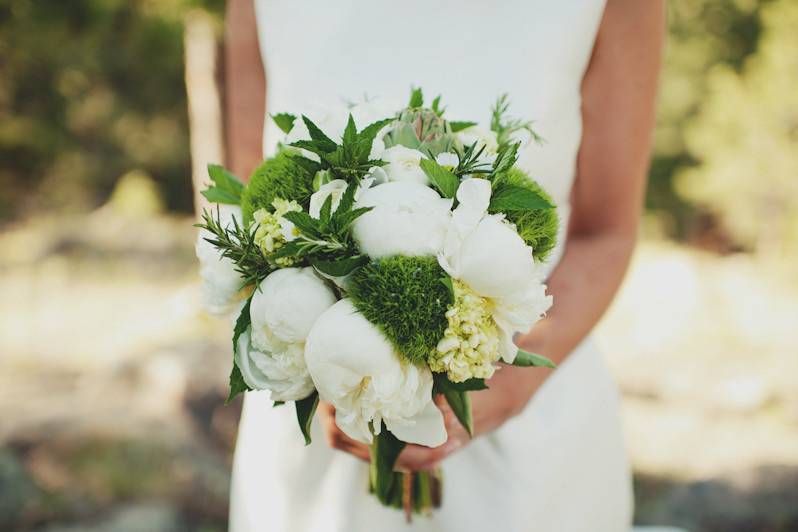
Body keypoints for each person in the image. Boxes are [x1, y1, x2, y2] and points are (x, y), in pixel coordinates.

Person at [219, 1, 664, 530]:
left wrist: (501, 385)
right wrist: (326, 370)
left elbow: (606, 232)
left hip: (524, 432)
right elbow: (250, 202)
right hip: (320, 427)